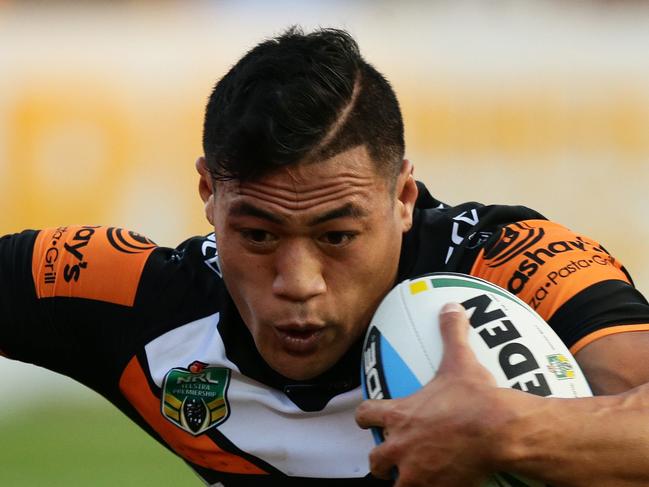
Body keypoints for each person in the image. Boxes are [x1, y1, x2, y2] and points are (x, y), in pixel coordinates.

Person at [1, 27, 649, 487]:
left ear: (401, 197)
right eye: (258, 235)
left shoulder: (511, 264)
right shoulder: (141, 301)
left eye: (336, 236)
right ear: (208, 193)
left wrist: (513, 430)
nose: (298, 282)